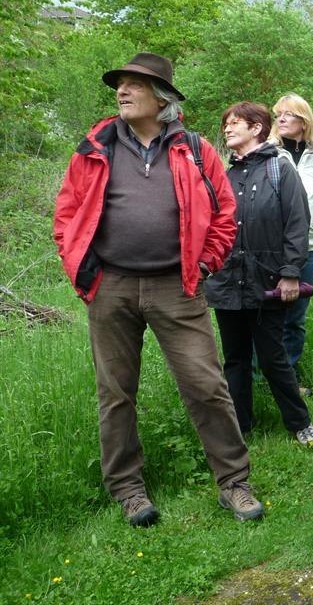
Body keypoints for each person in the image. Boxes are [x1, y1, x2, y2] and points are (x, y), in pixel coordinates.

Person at [53, 52, 262, 526]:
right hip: (111, 286)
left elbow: (224, 213)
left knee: (206, 385)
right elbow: (66, 214)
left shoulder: (195, 148)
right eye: (120, 84)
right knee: (115, 393)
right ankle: (128, 490)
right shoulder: (96, 147)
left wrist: (205, 264)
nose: (122, 91)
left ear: (161, 97)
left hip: (177, 284)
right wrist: (81, 270)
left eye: (134, 84)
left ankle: (234, 482)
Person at [205, 102, 313, 446]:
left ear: (256, 128)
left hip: (267, 282)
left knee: (272, 358)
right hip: (228, 282)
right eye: (226, 123)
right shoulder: (224, 176)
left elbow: (298, 224)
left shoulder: (280, 170)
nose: (227, 129)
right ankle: (240, 426)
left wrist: (290, 272)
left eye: (235, 123)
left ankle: (300, 422)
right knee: (235, 360)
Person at [269, 94, 313, 392]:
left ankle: (290, 377)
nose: (281, 119)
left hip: (309, 250)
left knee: (294, 317)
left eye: (289, 114)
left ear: (304, 121)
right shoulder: (268, 156)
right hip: (272, 250)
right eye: (278, 114)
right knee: (267, 315)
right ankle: (262, 377)